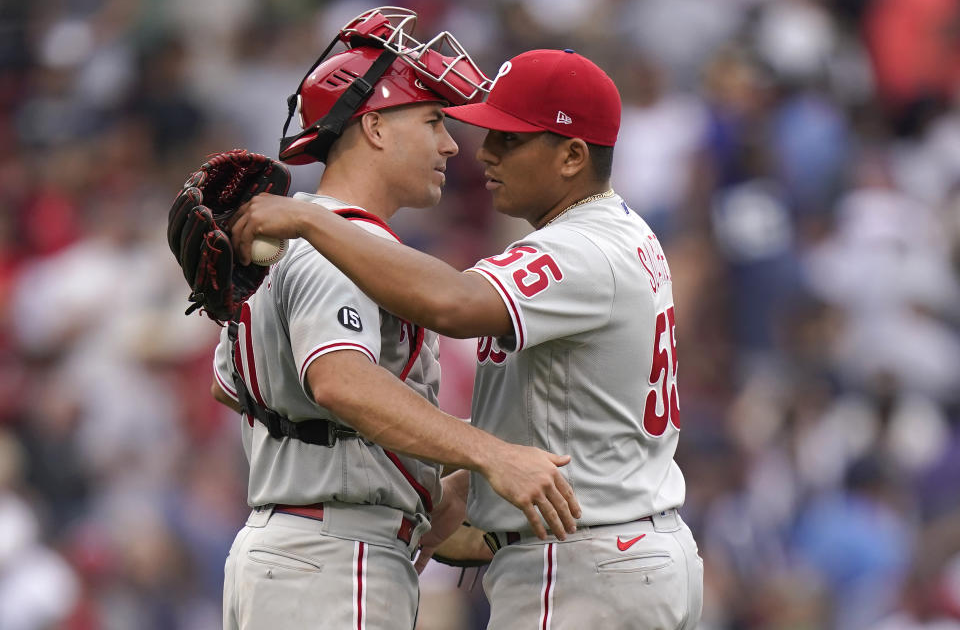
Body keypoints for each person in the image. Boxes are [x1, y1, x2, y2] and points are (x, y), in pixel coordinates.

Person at [230, 48, 703, 629]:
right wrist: (468, 483)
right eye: (444, 124)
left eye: (510, 139)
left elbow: (452, 303)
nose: (479, 151)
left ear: (573, 156)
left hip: (588, 563)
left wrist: (310, 221)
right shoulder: (620, 234)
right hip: (611, 556)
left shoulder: (585, 247)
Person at [212, 11, 580, 630]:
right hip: (332, 558)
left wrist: (425, 475)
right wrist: (489, 453)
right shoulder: (337, 241)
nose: (450, 144)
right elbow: (339, 382)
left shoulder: (295, 233)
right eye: (433, 120)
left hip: (293, 553)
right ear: (375, 127)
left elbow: (231, 389)